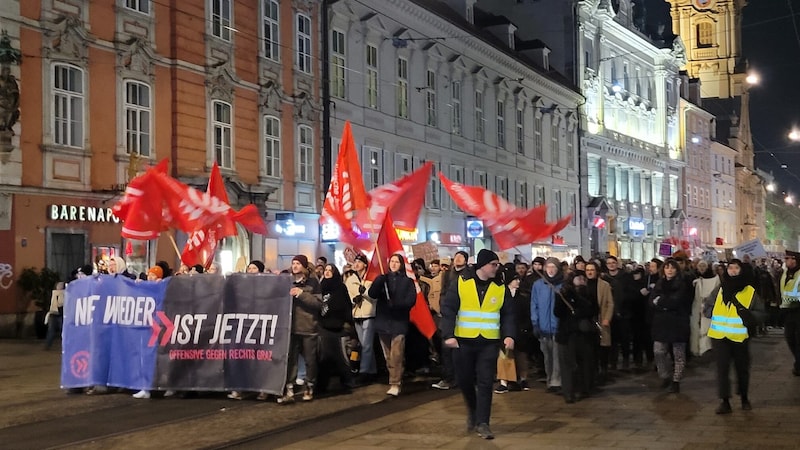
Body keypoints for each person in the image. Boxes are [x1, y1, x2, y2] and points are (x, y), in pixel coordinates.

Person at [440, 249, 515, 440]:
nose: (497, 268)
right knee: (464, 381)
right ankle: (473, 410)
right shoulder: (462, 282)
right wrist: (448, 334)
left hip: (488, 343)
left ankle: (483, 422)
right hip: (463, 341)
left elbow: (508, 314)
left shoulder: (500, 287)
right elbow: (449, 309)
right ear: (483, 265)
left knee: (485, 382)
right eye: (494, 265)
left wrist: (509, 335)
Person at [708, 259, 761, 414]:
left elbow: (761, 312)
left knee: (742, 369)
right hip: (719, 336)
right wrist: (710, 312)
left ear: (741, 270)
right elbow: (709, 305)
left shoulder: (750, 291)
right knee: (722, 370)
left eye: (736, 268)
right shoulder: (720, 289)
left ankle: (744, 397)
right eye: (730, 268)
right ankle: (725, 401)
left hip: (739, 337)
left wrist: (750, 316)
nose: (732, 271)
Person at [368, 253, 416, 397]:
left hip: (398, 321)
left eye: (397, 262)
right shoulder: (383, 279)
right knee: (388, 355)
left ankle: (395, 382)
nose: (394, 264)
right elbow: (372, 294)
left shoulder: (407, 281)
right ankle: (395, 375)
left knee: (396, 353)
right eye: (392, 261)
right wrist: (378, 282)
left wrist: (397, 305)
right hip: (383, 321)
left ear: (401, 264)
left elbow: (411, 300)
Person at [277, 255, 322, 404]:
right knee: (291, 360)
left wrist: (301, 294)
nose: (295, 266)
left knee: (310, 359)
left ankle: (310, 385)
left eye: (298, 263)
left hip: (308, 327)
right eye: (293, 263)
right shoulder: (286, 281)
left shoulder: (313, 282)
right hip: (290, 327)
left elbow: (318, 303)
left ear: (304, 266)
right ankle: (289, 387)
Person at [555, 271, 599, 403]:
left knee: (584, 363)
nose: (580, 280)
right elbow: (557, 312)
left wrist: (577, 302)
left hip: (584, 334)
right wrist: (564, 297)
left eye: (582, 278)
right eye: (577, 278)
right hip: (567, 334)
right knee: (567, 364)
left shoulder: (588, 294)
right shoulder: (563, 293)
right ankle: (568, 392)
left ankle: (584, 388)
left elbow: (593, 309)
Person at [649, 258, 692, 393]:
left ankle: (676, 380)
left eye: (672, 267)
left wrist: (661, 302)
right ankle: (665, 376)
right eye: (667, 267)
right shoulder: (659, 284)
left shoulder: (682, 284)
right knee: (658, 351)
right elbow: (651, 301)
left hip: (677, 322)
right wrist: (662, 303)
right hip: (661, 322)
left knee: (678, 353)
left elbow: (676, 301)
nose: (670, 270)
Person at [432, 251, 470, 390]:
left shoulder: (469, 274)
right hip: (448, 316)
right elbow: (443, 292)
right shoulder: (447, 274)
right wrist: (442, 308)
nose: (458, 259)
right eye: (456, 256)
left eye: (461, 257)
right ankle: (449, 377)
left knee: (462, 349)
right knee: (446, 348)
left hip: (464, 316)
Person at [316, 264, 356, 393]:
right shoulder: (321, 287)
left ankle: (347, 382)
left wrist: (347, 322)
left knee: (342, 357)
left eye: (330, 270)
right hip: (324, 327)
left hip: (339, 328)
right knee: (324, 357)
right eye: (326, 270)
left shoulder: (340, 287)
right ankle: (322, 385)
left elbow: (346, 306)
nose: (327, 272)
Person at [494, 275, 533, 393]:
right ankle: (504, 381)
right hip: (504, 329)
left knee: (521, 356)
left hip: (521, 329)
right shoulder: (500, 294)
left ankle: (523, 379)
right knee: (504, 355)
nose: (517, 282)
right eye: (515, 279)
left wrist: (526, 327)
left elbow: (527, 313)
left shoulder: (523, 296)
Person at [531, 257, 564, 394]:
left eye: (553, 267)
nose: (551, 270)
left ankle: (557, 381)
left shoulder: (562, 285)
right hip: (543, 327)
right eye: (548, 267)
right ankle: (550, 378)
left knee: (558, 356)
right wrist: (535, 322)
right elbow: (534, 305)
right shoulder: (538, 285)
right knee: (547, 356)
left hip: (558, 327)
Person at [344, 253, 377, 385]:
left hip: (369, 314)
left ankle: (363, 372)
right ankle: (373, 370)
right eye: (355, 262)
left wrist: (366, 293)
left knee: (366, 345)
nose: (356, 264)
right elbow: (349, 295)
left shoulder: (371, 279)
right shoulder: (350, 279)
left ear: (365, 264)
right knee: (365, 345)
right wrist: (354, 300)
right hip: (357, 314)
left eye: (359, 262)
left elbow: (375, 298)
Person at [780, 250, 800, 376]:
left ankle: (798, 365)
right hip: (788, 312)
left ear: (795, 260)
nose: (785, 260)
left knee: (798, 340)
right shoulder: (785, 273)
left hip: (798, 310)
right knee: (790, 338)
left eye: (787, 258)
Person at [44, 282, 65, 351]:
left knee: (62, 331)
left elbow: (60, 304)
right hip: (54, 314)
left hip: (59, 314)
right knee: (51, 331)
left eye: (61, 285)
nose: (60, 286)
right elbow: (59, 304)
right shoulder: (55, 293)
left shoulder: (62, 293)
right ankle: (47, 346)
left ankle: (65, 346)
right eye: (59, 285)